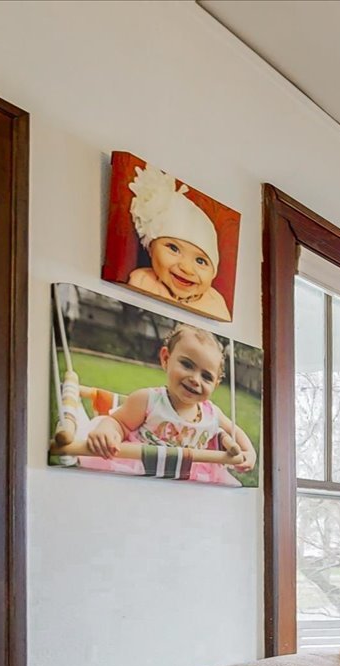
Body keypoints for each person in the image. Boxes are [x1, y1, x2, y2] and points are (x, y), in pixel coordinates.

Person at [83, 324, 255, 486]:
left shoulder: (211, 413)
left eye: (206, 377)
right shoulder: (148, 400)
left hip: (189, 479)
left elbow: (235, 430)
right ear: (166, 358)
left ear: (215, 384)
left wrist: (249, 452)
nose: (195, 379)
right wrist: (107, 431)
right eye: (187, 365)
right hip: (144, 470)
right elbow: (118, 423)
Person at [124, 165, 231, 321]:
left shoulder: (215, 303)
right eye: (173, 248)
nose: (186, 269)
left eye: (201, 260)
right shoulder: (143, 281)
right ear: (151, 249)